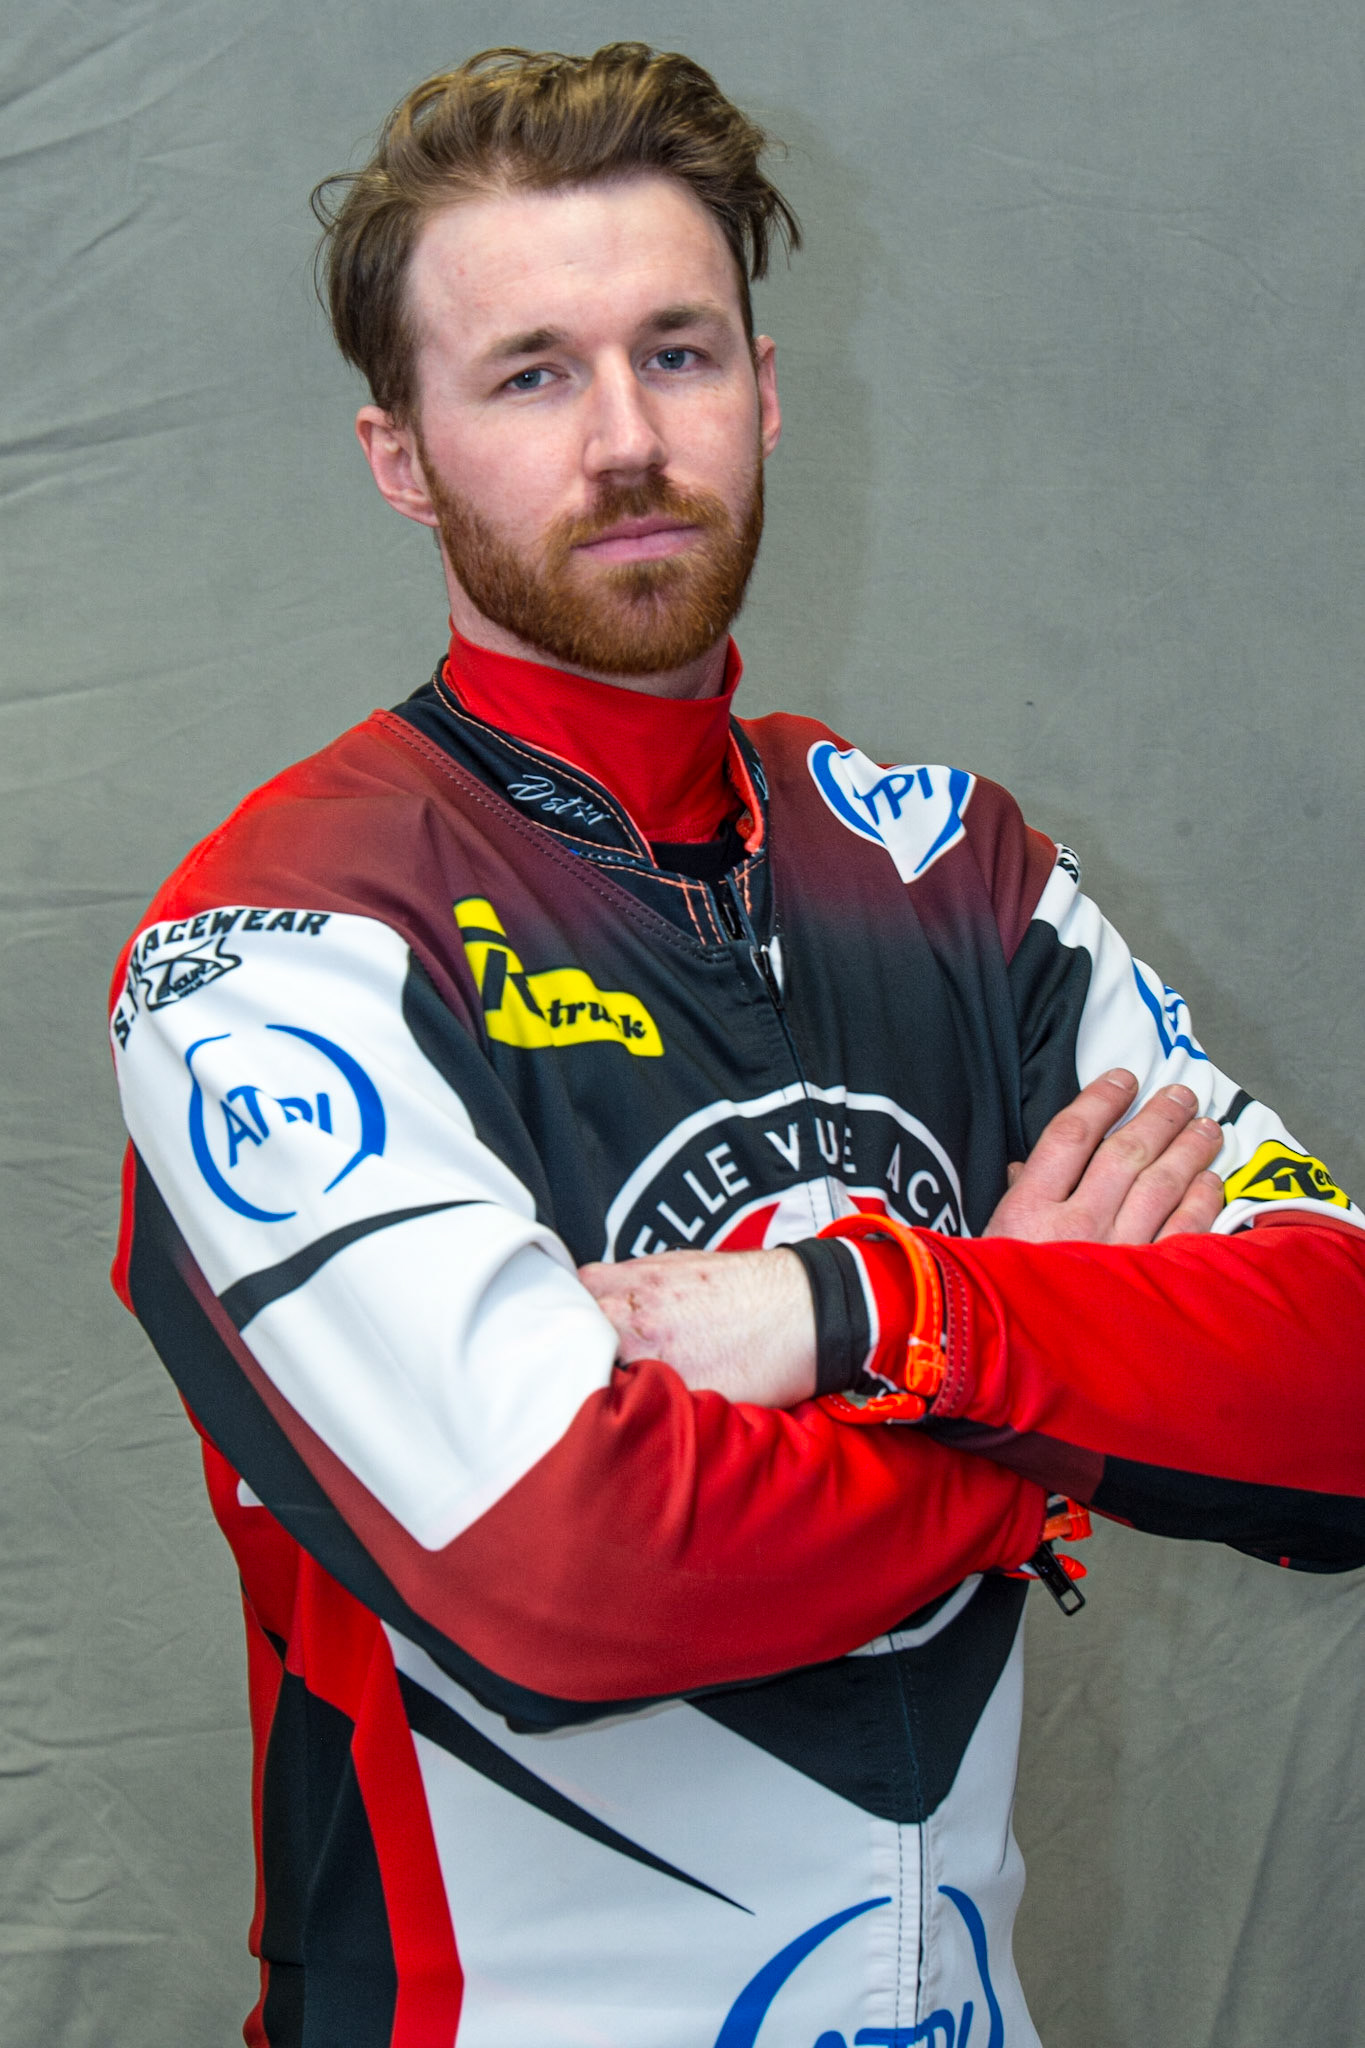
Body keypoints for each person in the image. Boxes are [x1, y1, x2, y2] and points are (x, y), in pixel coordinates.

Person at [107, 43, 1365, 2048]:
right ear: (400, 457)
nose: (626, 439)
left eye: (675, 353)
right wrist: (1043, 1430)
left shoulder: (953, 875)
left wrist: (866, 1318)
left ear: (765, 392)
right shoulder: (280, 940)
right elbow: (565, 1569)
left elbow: (1336, 1392)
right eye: (531, 375)